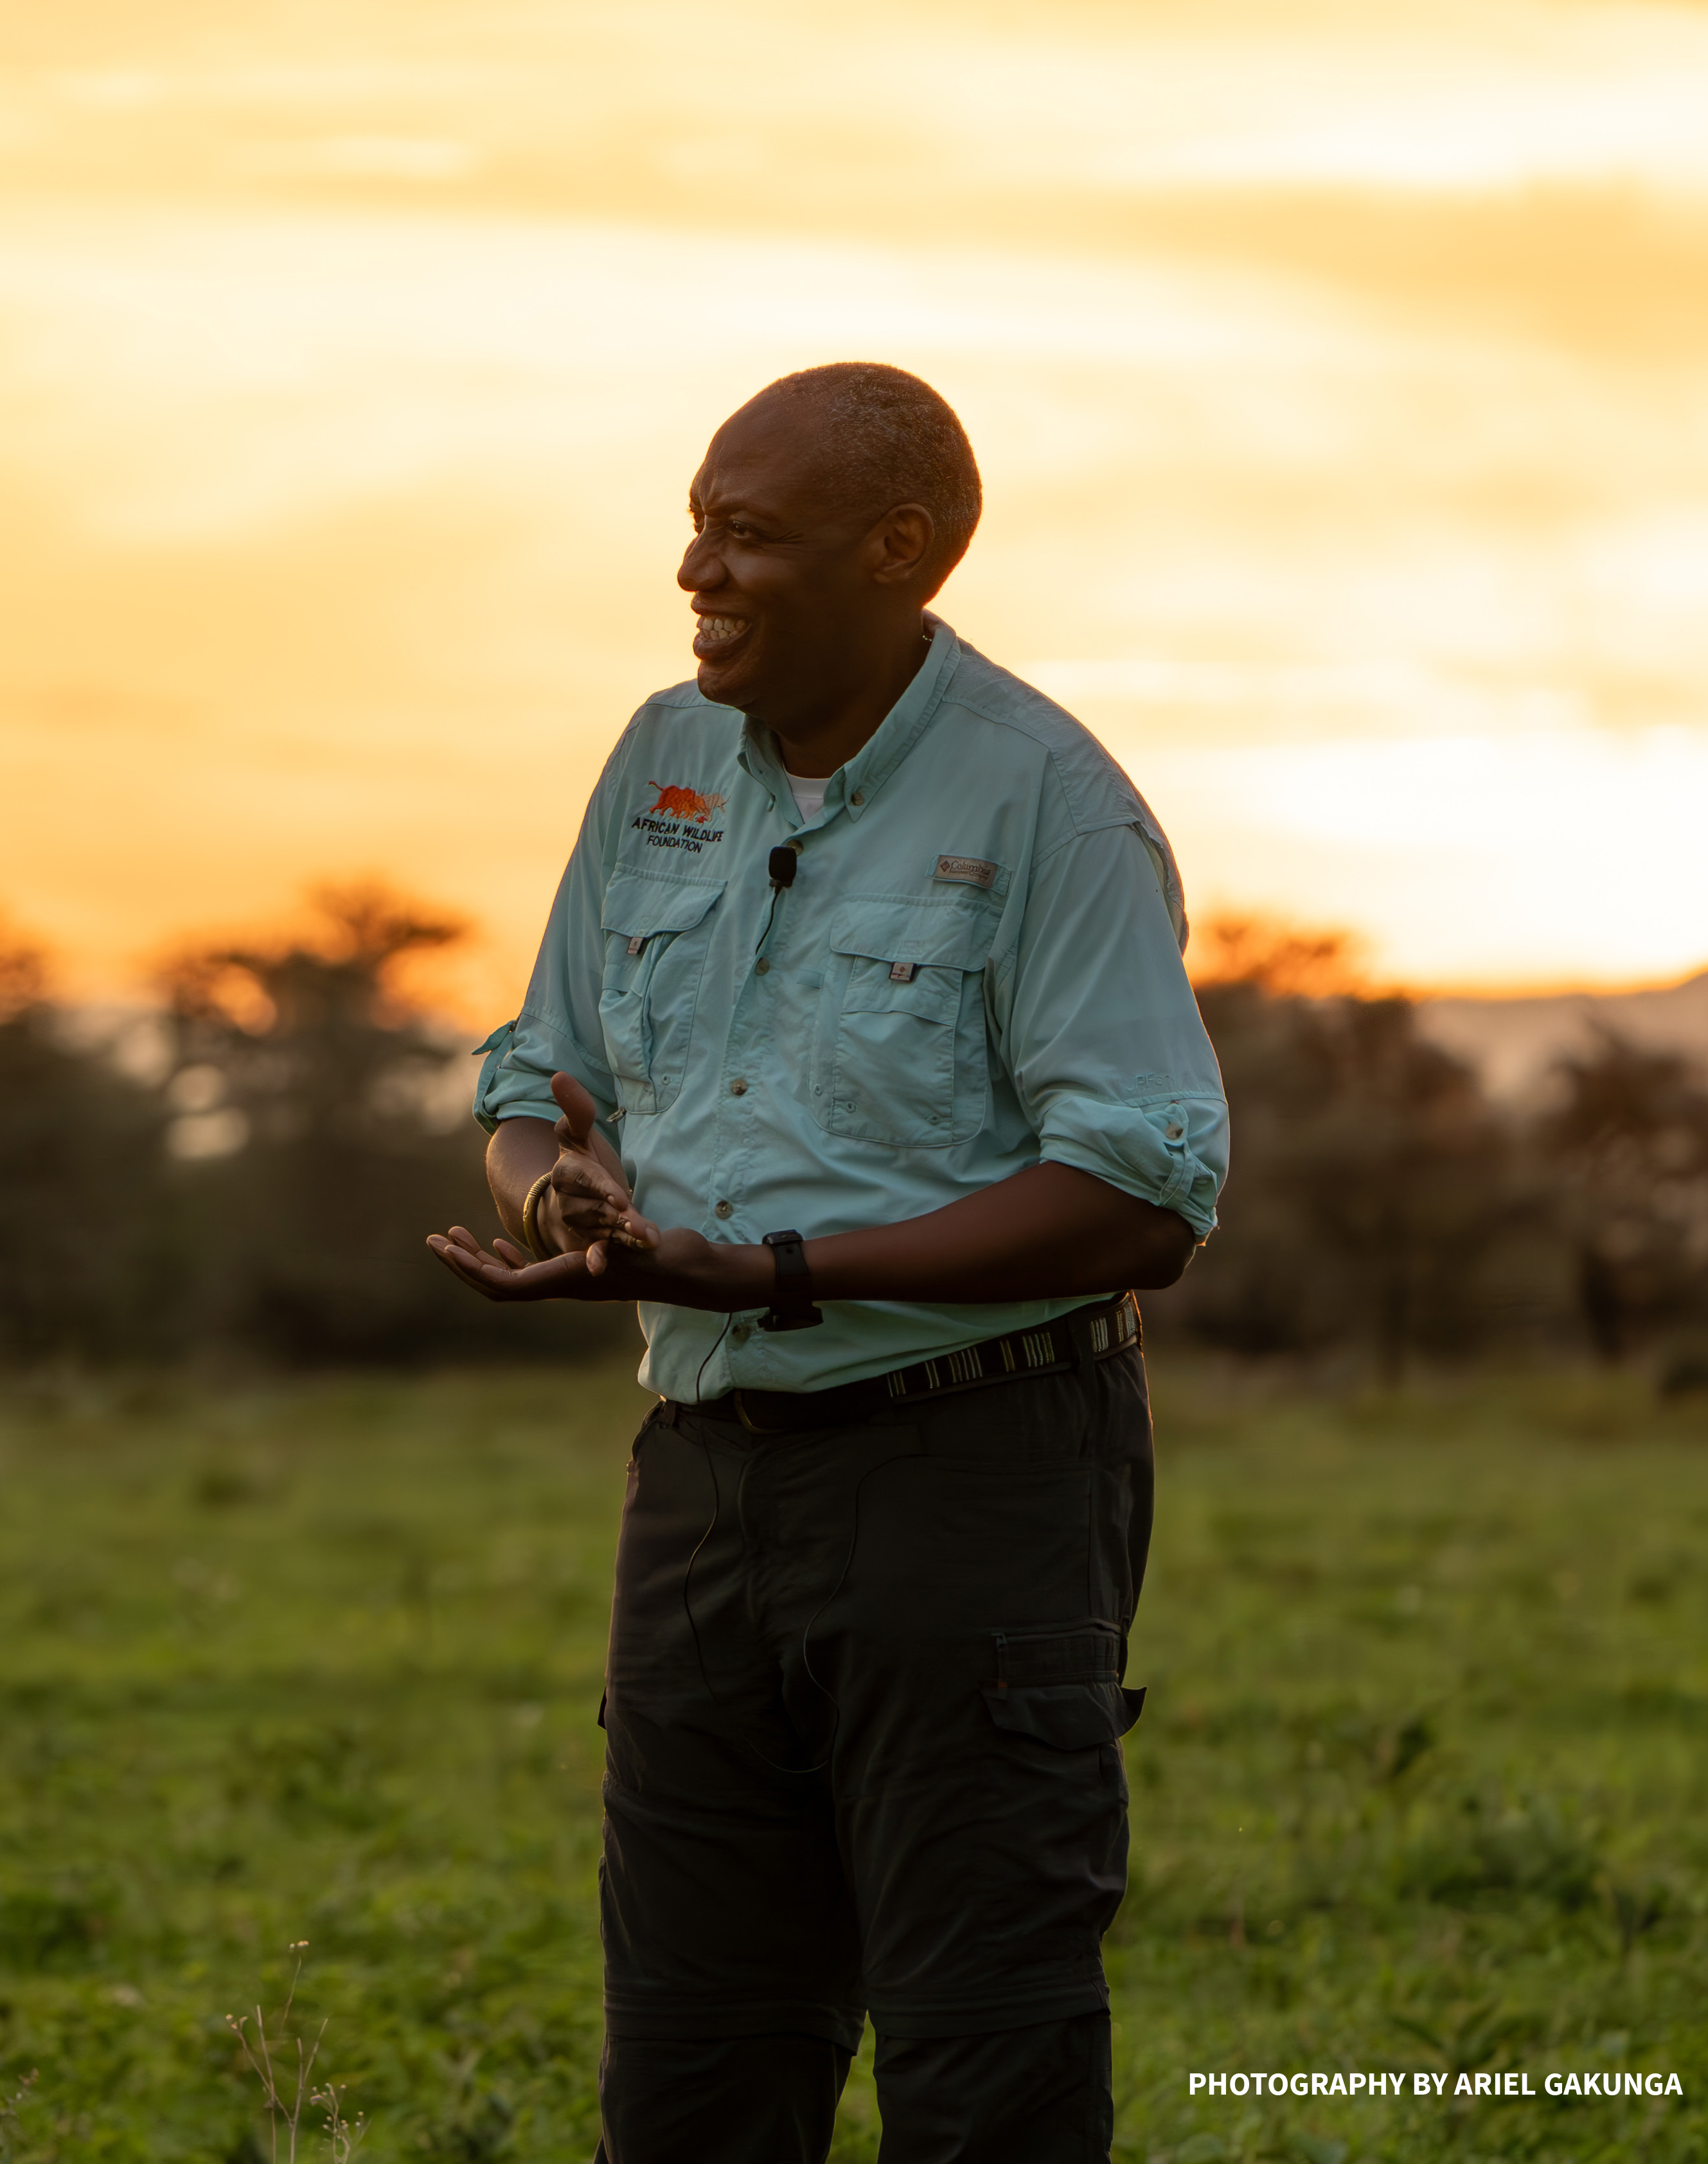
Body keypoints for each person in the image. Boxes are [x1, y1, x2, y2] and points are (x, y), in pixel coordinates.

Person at [426, 364, 1228, 2162]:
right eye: (699, 525)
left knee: (984, 2079)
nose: (699, 570)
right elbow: (530, 1077)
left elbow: (1149, 1195)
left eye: (750, 535)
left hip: (979, 1485)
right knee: (696, 2080)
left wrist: (775, 1271)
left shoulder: (1049, 807)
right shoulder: (658, 761)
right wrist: (568, 1202)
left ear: (901, 554)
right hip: (704, 1494)